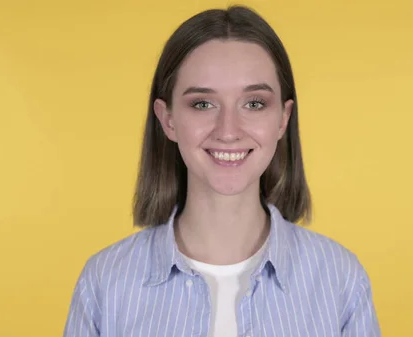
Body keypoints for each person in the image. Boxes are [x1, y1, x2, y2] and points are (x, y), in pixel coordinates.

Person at [64, 5, 380, 337]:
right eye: (203, 103)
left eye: (254, 103)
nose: (228, 130)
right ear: (167, 119)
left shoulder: (341, 280)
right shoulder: (104, 283)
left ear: (283, 119)